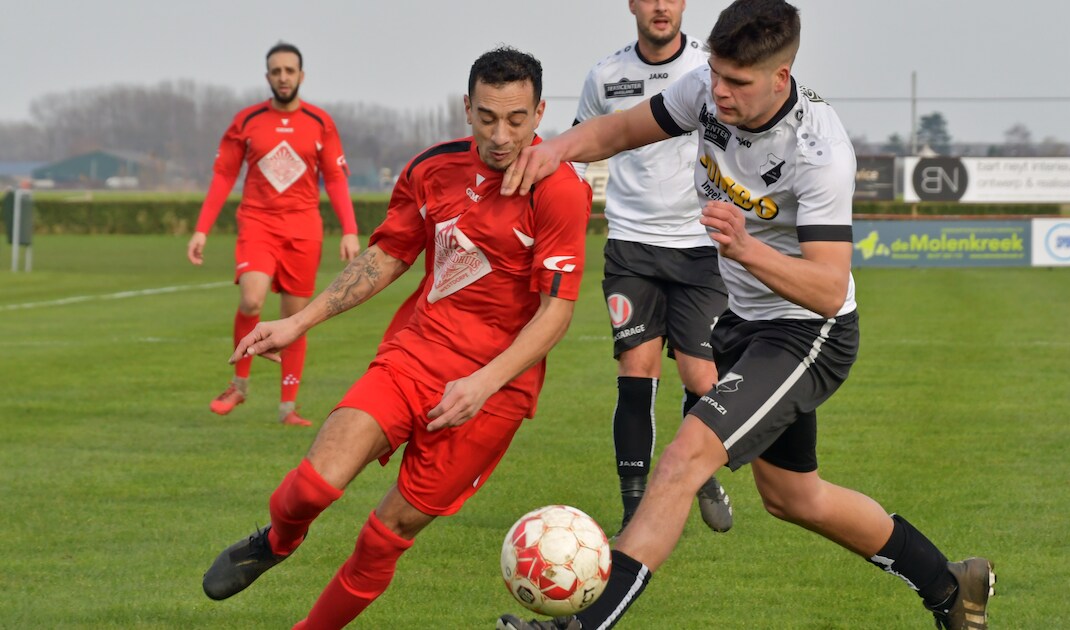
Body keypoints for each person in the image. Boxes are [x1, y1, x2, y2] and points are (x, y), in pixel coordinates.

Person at [496, 1, 995, 629]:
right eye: (716, 75)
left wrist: (745, 248)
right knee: (795, 498)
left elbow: (827, 286)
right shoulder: (705, 89)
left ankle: (577, 626)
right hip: (745, 323)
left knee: (682, 461)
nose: (719, 93)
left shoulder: (820, 151)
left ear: (780, 78)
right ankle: (951, 587)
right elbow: (622, 131)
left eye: (737, 82)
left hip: (808, 333)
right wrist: (556, 150)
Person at [201, 47, 592, 629]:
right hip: (415, 354)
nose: (501, 134)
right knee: (309, 488)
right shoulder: (431, 169)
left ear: (539, 114)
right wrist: (298, 321)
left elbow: (555, 313)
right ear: (466, 108)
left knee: (386, 538)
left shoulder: (558, 191)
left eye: (516, 119)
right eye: (487, 116)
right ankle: (279, 540)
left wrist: (482, 384)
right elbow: (388, 256)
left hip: (493, 392)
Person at [576, 0, 732, 534]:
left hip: (698, 244)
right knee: (636, 371)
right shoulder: (605, 75)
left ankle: (700, 470)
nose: (661, 6)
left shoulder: (710, 70)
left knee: (703, 377)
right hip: (632, 247)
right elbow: (579, 151)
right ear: (632, 5)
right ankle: (633, 509)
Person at [187, 41, 361, 427]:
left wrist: (349, 230)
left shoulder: (320, 123)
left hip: (304, 230)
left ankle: (287, 409)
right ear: (267, 76)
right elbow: (223, 176)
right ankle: (239, 384)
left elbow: (334, 178)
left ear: (301, 75)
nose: (283, 77)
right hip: (258, 224)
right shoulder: (247, 121)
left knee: (294, 318)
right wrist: (201, 230)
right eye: (276, 71)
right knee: (251, 300)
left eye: (289, 70)